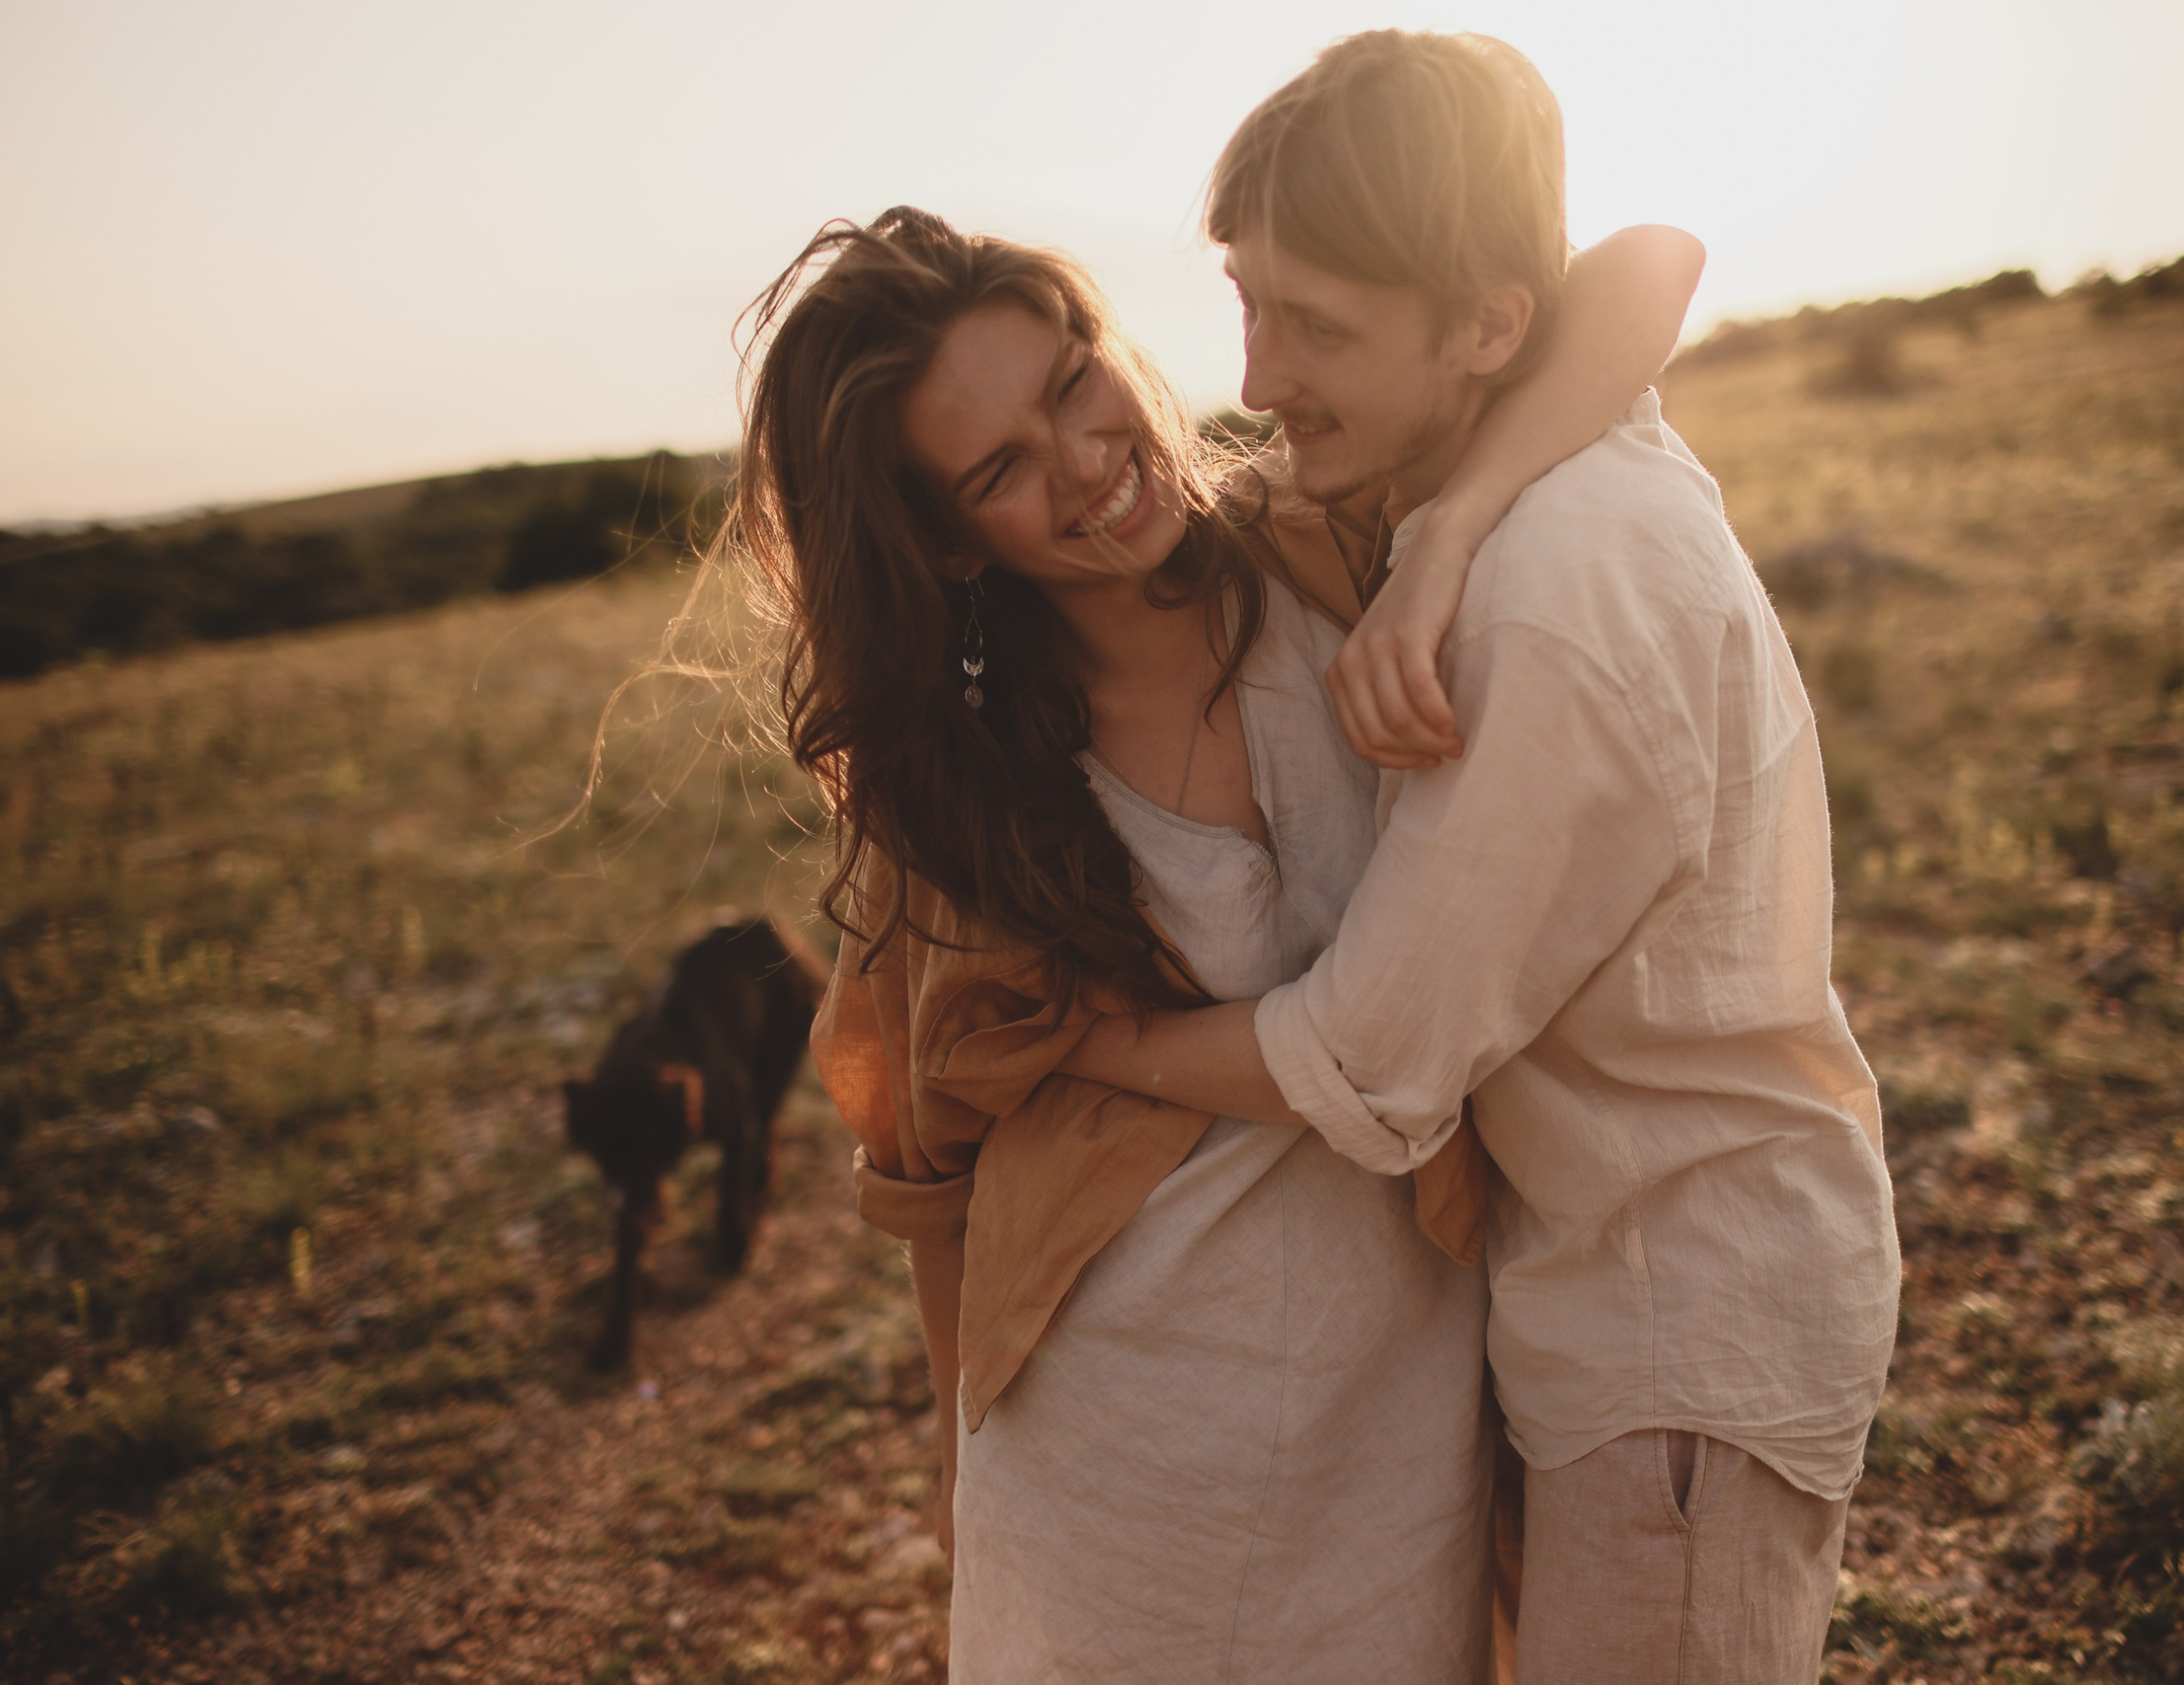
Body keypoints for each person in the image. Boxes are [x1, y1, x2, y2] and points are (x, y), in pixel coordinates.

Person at [733, 195, 1700, 1679]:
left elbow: (1650, 270)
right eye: (1000, 470)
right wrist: (956, 1451)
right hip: (1116, 1475)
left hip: (1398, 1440)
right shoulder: (965, 791)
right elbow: (926, 1169)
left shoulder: (1333, 549)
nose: (1084, 461)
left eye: (1072, 381)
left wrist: (1447, 544)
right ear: (947, 544)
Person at [1057, 30, 1904, 1685]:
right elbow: (1639, 275)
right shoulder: (1540, 462)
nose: (1259, 374)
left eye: (1319, 326)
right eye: (1247, 301)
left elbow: (1374, 1061)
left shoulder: (1546, 601)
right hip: (1629, 1301)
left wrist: (1088, 1046)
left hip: (1679, 1339)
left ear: (1490, 329)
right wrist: (1447, 519)